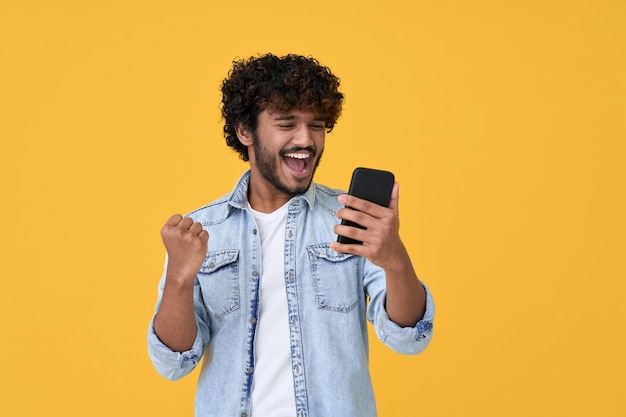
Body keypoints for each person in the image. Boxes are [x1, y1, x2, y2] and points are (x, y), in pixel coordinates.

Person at [147, 53, 435, 417]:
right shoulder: (203, 232)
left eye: (317, 125)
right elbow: (173, 364)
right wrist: (179, 278)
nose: (306, 139)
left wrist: (395, 260)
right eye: (287, 124)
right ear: (245, 131)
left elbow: (409, 338)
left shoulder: (351, 218)